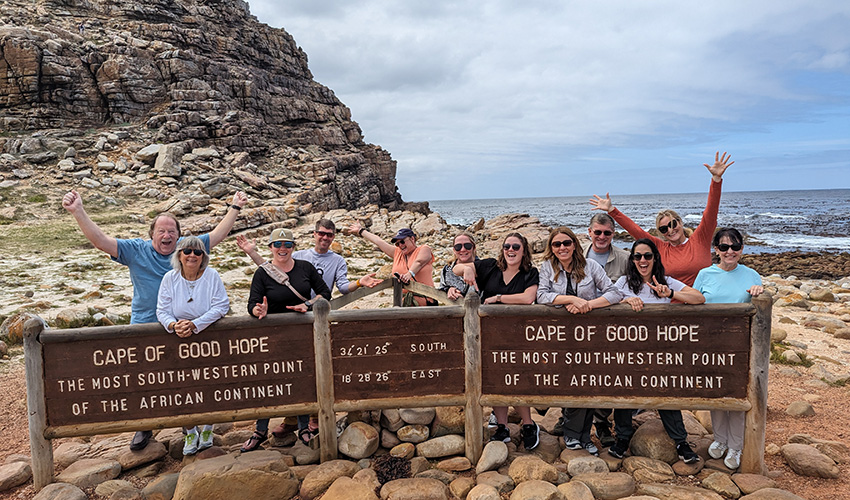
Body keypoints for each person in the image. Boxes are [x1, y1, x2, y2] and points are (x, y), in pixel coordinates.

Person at [62, 189, 247, 451]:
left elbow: (217, 235)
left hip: (185, 326)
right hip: (147, 324)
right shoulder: (135, 250)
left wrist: (235, 207)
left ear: (179, 236)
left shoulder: (188, 250)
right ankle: (145, 426)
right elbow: (101, 241)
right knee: (145, 378)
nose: (167, 235)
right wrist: (78, 211)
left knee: (189, 376)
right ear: (152, 234)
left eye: (172, 231)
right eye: (161, 230)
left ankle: (195, 426)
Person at [237, 219, 380, 439]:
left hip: (313, 323)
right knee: (276, 376)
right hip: (279, 329)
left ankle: (308, 422)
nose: (325, 238)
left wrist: (359, 282)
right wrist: (251, 255)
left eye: (330, 235)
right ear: (314, 234)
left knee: (308, 374)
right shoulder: (301, 256)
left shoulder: (332, 261)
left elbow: (337, 288)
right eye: (321, 233)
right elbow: (271, 270)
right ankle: (281, 424)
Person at [607, 238, 705, 464]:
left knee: (665, 394)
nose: (643, 260)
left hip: (659, 352)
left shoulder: (666, 281)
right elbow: (607, 300)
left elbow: (699, 298)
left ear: (655, 259)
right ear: (632, 260)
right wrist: (626, 301)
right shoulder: (623, 282)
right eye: (638, 256)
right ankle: (622, 438)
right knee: (624, 391)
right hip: (628, 351)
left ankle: (680, 442)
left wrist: (670, 294)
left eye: (647, 256)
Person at [241, 228, 332, 452]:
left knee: (300, 378)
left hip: (302, 333)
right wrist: (258, 310)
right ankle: (260, 430)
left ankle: (302, 428)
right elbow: (252, 303)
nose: (283, 248)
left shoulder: (305, 268)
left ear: (294, 247)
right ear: (270, 247)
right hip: (272, 335)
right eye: (278, 244)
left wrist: (307, 305)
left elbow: (324, 293)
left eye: (288, 244)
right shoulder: (262, 273)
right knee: (267, 382)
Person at [536, 227, 622, 456]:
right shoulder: (547, 268)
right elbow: (542, 295)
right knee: (570, 381)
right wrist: (571, 299)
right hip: (560, 336)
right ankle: (574, 434)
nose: (562, 247)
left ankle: (583, 435)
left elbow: (614, 293)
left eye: (566, 242)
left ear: (574, 244)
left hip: (589, 336)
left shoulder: (591, 266)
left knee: (587, 381)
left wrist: (588, 305)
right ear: (551, 248)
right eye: (556, 244)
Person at [589, 151, 734, 286]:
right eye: (664, 229)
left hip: (704, 304)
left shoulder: (700, 240)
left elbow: (710, 213)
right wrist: (612, 211)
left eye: (672, 224)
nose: (670, 230)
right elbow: (635, 230)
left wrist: (716, 180)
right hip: (671, 306)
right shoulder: (660, 247)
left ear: (680, 222)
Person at [454, 232, 540, 450]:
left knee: (517, 379)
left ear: (524, 250)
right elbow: (456, 268)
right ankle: (502, 426)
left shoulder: (530, 273)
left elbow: (528, 298)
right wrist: (469, 269)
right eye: (507, 246)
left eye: (516, 247)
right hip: (489, 334)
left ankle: (529, 425)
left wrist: (498, 298)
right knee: (494, 379)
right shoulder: (491, 267)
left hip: (517, 335)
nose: (510, 250)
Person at [693, 228, 763, 470]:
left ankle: (736, 445)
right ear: (716, 249)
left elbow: (759, 311)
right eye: (724, 247)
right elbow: (695, 305)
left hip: (738, 347)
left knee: (735, 394)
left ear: (742, 249)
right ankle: (720, 440)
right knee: (715, 393)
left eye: (734, 247)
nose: (729, 251)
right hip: (709, 344)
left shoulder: (752, 275)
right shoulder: (704, 274)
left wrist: (758, 294)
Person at [156, 237, 229, 455]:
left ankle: (207, 428)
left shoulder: (212, 275)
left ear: (203, 257)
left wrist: (196, 324)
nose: (192, 256)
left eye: (197, 252)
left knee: (209, 383)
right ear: (179, 255)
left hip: (207, 338)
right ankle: (189, 431)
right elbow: (162, 310)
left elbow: (221, 305)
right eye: (187, 251)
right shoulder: (170, 278)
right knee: (183, 386)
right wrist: (173, 325)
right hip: (179, 340)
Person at [578, 213, 630, 446]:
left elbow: (633, 288)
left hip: (612, 327)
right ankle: (571, 417)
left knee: (608, 373)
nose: (601, 236)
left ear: (613, 234)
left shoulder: (625, 258)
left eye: (607, 233)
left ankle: (601, 421)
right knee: (575, 370)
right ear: (589, 232)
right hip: (580, 325)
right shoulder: (576, 255)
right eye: (597, 232)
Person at [348, 222, 435, 306]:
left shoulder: (424, 249)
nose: (400, 245)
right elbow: (379, 242)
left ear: (412, 239)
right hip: (403, 302)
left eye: (402, 241)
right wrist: (361, 231)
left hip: (425, 301)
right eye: (397, 244)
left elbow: (419, 262)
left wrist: (409, 274)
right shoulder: (397, 253)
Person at [439, 232, 478, 301]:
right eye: (458, 247)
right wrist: (449, 290)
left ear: (474, 248)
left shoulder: (485, 268)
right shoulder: (447, 270)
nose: (462, 249)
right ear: (454, 250)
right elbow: (441, 288)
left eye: (467, 246)